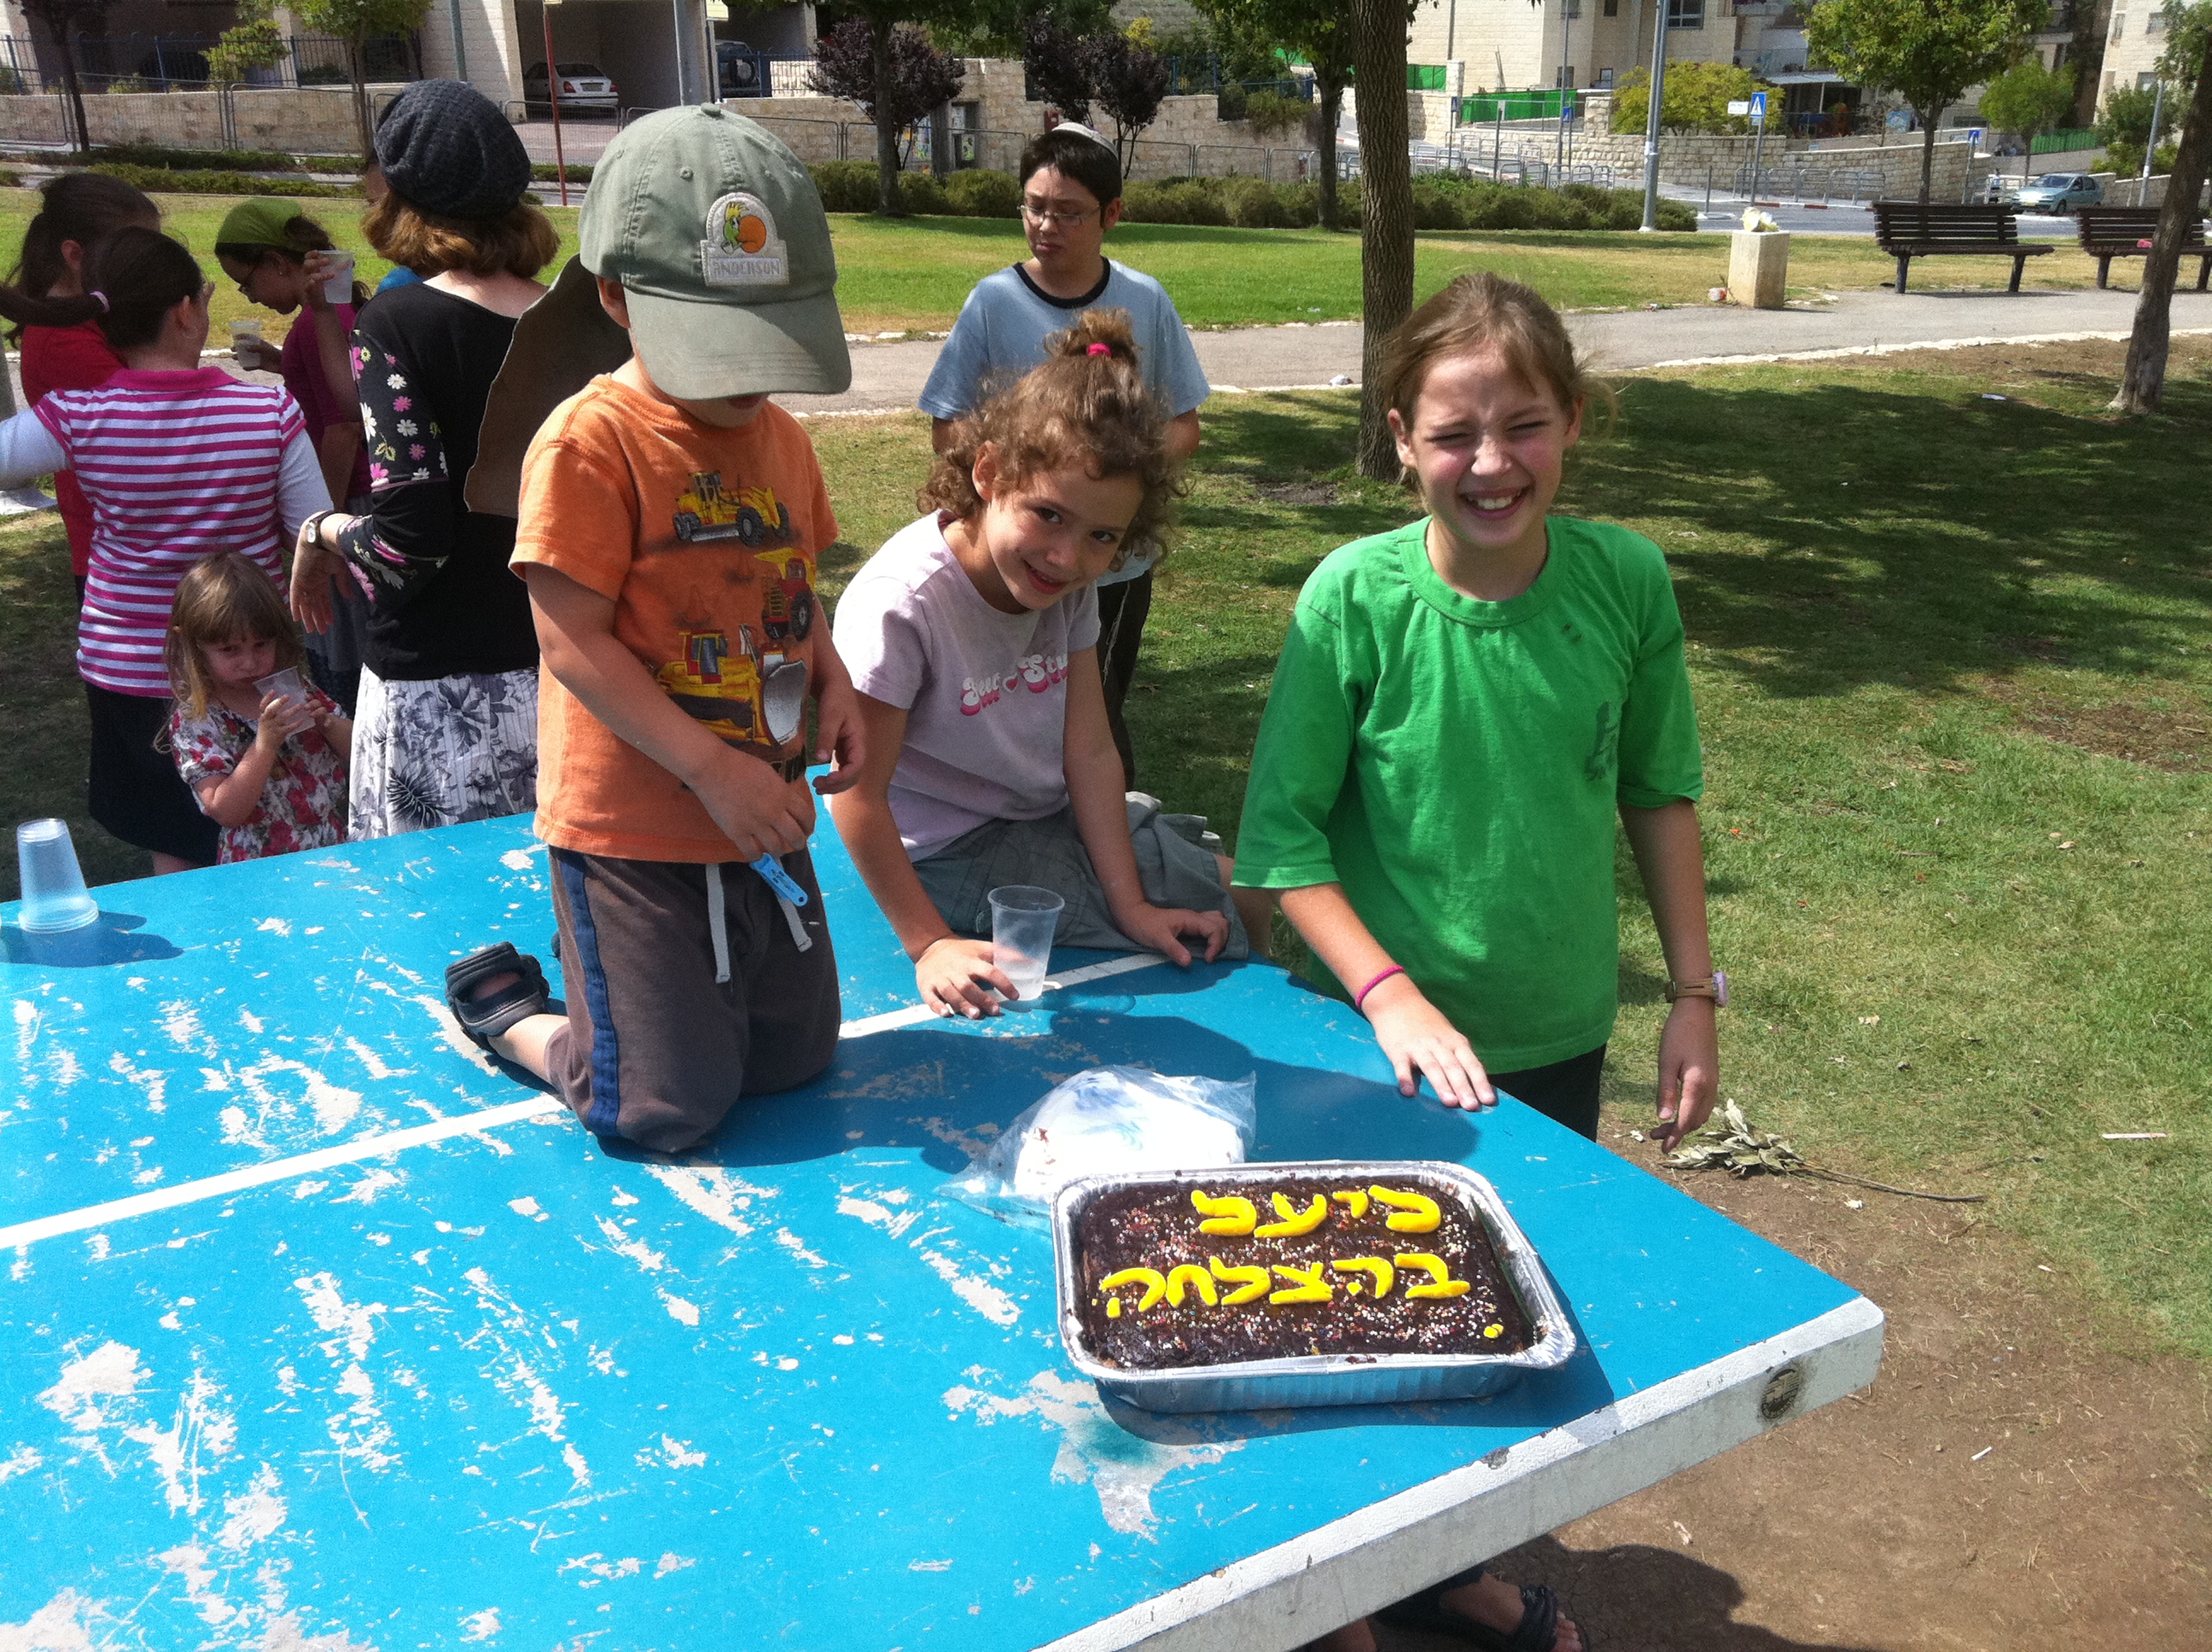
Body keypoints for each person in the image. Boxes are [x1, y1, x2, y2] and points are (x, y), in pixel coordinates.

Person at [1236, 272, 1725, 1652]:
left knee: (1495, 1330)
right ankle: (1336, 1597)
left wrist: (1692, 996)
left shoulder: (1626, 580)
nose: (1491, 462)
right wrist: (1388, 993)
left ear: (1574, 420)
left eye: (1523, 426)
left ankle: (1442, 1568)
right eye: (1453, 434)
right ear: (1400, 438)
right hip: (1368, 1055)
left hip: (1552, 1039)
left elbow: (1659, 792)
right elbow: (1280, 845)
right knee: (1357, 1333)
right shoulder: (1352, 598)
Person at [438, 107, 864, 1155]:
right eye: (717, 344)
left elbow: (795, 583)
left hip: (762, 809)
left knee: (795, 1059)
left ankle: (626, 989)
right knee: (662, 1108)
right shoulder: (591, 443)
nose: (745, 376)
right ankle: (523, 1019)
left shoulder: (783, 441)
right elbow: (571, 641)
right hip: (634, 823)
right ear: (618, 295)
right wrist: (713, 772)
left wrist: (835, 681)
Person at [831, 309, 1272, 1021]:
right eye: (1048, 515)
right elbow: (855, 795)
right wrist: (930, 944)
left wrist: (1131, 905)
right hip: (943, 855)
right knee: (1228, 901)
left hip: (1038, 815)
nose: (1067, 557)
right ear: (988, 472)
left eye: (1102, 536)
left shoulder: (1066, 586)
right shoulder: (902, 605)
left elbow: (1090, 752)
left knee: (1245, 883)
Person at [0, 226, 329, 876]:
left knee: (171, 842)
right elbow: (312, 529)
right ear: (185, 310)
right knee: (279, 821)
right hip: (252, 659)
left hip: (130, 666)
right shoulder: (269, 412)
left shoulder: (77, 415)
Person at [288, 79, 555, 839]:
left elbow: (409, 543)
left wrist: (321, 531)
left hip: (445, 697)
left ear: (398, 195)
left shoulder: (398, 322)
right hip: (575, 676)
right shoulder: (575, 318)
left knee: (444, 908)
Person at [917, 122, 1208, 790]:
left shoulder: (1145, 298)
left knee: (1093, 714)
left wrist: (1102, 481)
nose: (1047, 226)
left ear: (1112, 215)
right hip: (1013, 554)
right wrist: (1028, 481)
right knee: (1010, 708)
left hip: (1110, 566)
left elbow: (1184, 428)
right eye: (1035, 207)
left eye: (1069, 212)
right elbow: (947, 427)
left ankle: (1101, 827)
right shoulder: (993, 300)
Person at [215, 197, 374, 713]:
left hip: (349, 501)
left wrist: (321, 528)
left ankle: (351, 740)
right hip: (358, 500)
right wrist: (284, 364)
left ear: (277, 263)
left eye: (246, 282)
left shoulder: (317, 321)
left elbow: (345, 426)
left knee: (346, 646)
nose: (250, 296)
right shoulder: (329, 314)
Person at [9, 173, 161, 601]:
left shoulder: (91, 320)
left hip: (137, 537)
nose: (151, 264)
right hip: (120, 549)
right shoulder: (62, 340)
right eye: (133, 252)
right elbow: (153, 426)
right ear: (76, 255)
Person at [163, 551, 351, 864]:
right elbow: (225, 811)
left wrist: (327, 723)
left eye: (261, 645)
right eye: (230, 650)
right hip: (259, 865)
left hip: (333, 846)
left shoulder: (294, 690)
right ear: (195, 646)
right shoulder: (198, 720)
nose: (250, 663)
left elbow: (362, 754)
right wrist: (264, 745)